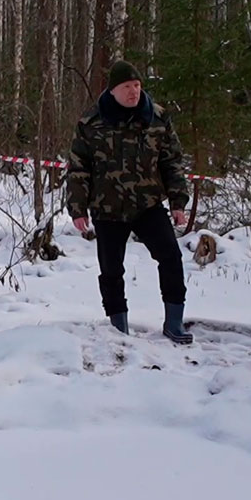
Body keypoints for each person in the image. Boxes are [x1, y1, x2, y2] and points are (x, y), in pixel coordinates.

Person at [66, 60, 193, 345]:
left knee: (171, 257)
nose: (134, 92)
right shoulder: (90, 122)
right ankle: (118, 329)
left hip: (147, 204)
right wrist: (77, 207)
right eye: (127, 87)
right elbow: (78, 167)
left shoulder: (157, 118)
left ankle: (175, 323)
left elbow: (171, 162)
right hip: (106, 207)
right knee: (111, 270)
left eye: (137, 86)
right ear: (114, 90)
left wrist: (177, 202)